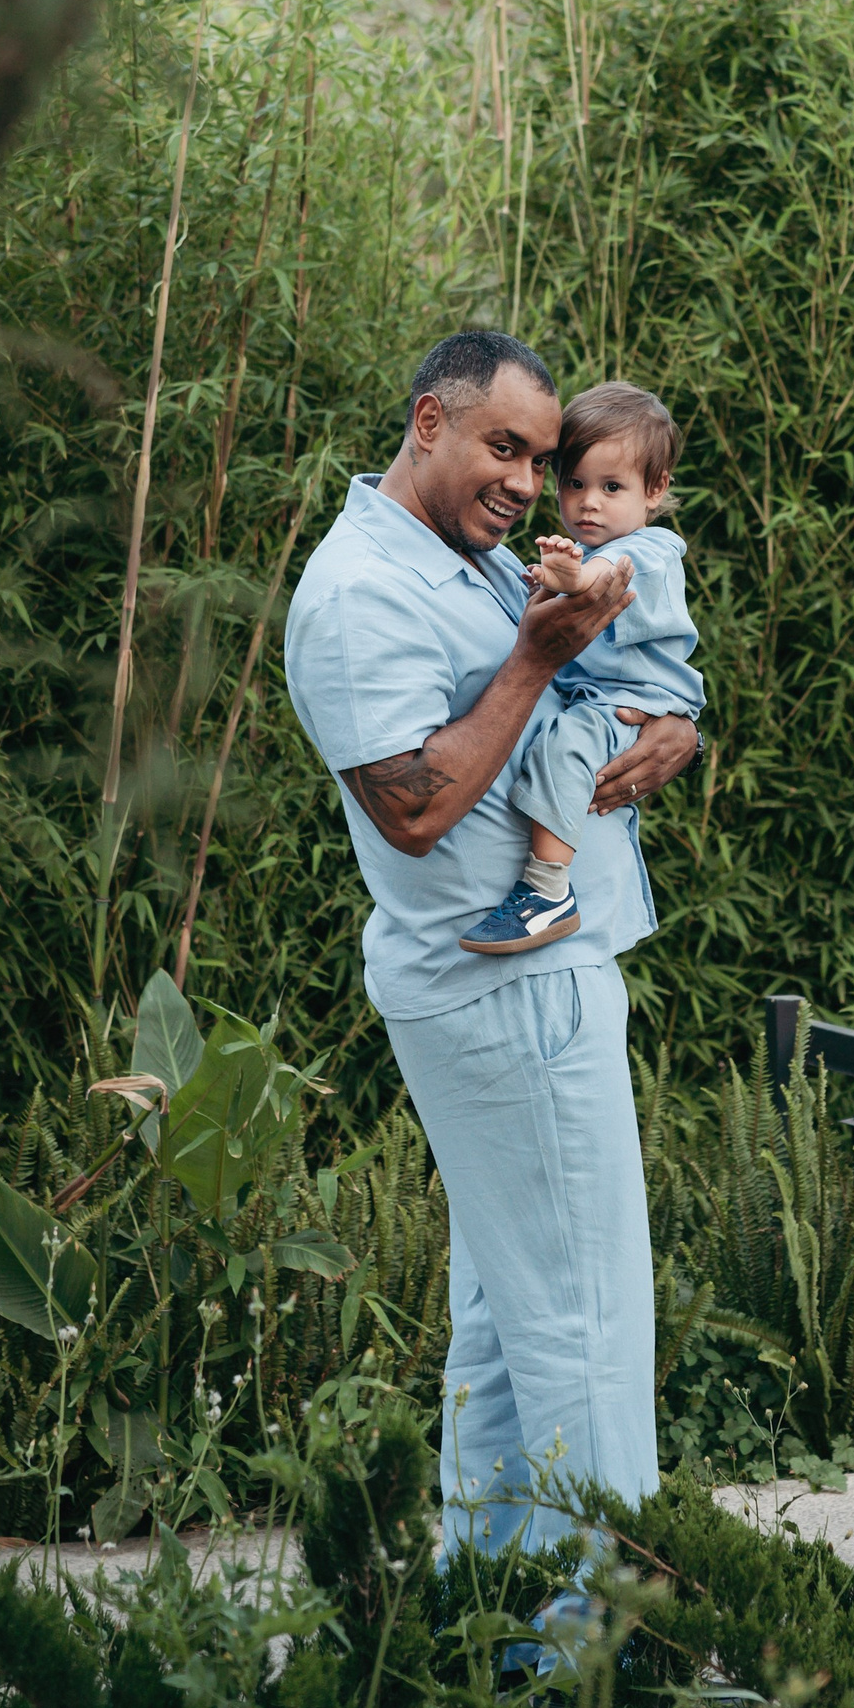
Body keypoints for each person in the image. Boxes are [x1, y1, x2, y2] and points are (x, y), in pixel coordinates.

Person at [282, 330, 699, 1554]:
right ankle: (605, 1638)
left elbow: (599, 682)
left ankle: (500, 1624)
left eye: (542, 459)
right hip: (507, 993)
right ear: (429, 422)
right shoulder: (359, 593)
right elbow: (412, 807)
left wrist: (676, 722)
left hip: (533, 981)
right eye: (504, 448)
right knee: (588, 1329)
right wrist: (535, 654)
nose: (527, 482)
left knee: (513, 1336)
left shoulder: (465, 557)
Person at [461, 381, 704, 956]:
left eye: (611, 487)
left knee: (566, 747)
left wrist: (566, 577)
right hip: (602, 698)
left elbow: (603, 580)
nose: (589, 501)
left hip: (626, 705)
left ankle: (548, 890)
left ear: (655, 489)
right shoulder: (585, 553)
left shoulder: (650, 551)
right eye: (575, 483)